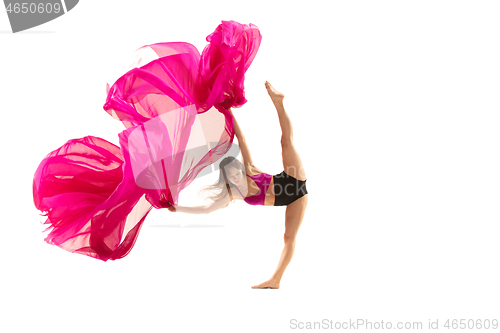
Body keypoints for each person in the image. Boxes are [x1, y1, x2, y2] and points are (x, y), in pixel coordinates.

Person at [168, 81, 308, 289]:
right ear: (227, 177)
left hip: (292, 179)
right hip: (295, 198)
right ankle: (275, 280)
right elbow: (207, 209)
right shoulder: (234, 194)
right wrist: (177, 208)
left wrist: (228, 110)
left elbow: (241, 138)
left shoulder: (250, 168)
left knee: (285, 142)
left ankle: (277, 102)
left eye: (236, 170)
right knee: (288, 237)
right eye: (231, 174)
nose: (236, 175)